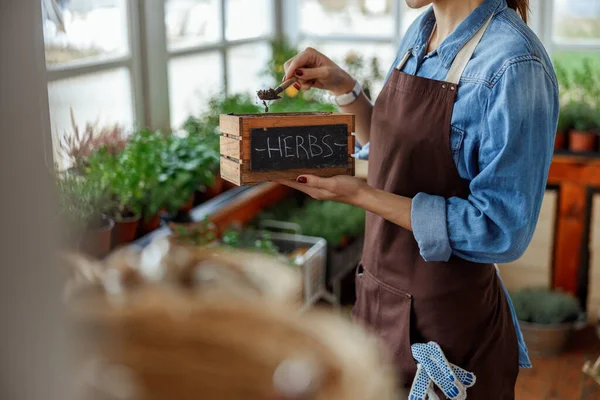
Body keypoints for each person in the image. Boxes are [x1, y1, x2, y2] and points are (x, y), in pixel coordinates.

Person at [278, 0, 558, 398]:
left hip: (445, 332)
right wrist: (344, 87)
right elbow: (393, 151)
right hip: (378, 299)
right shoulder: (421, 32)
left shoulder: (514, 65)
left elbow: (501, 230)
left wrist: (364, 196)